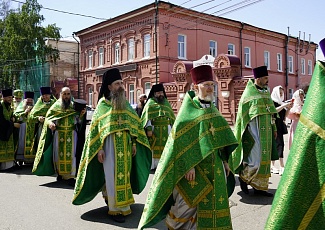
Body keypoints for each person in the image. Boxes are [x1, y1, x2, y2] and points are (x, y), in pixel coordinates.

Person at [138, 65, 238, 230]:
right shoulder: (187, 113)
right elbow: (179, 142)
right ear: (195, 87)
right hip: (195, 169)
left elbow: (221, 140)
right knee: (187, 206)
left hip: (216, 167)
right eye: (206, 85)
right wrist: (188, 165)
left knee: (214, 204)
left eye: (212, 85)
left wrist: (226, 161)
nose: (210, 88)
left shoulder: (213, 109)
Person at [72, 68, 152, 223]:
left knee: (124, 174)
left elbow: (134, 125)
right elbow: (96, 129)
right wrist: (100, 148)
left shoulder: (125, 104)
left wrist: (134, 142)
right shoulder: (103, 104)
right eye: (117, 83)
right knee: (111, 174)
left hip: (126, 146)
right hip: (109, 146)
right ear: (109, 86)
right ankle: (114, 208)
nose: (121, 86)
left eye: (121, 83)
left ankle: (123, 204)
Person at [265, 38, 325, 229]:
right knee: (279, 148)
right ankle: (275, 167)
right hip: (280, 126)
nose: (284, 92)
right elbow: (281, 113)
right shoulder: (315, 105)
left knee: (280, 148)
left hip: (280, 127)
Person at [229, 65, 278, 197]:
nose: (267, 81)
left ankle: (260, 188)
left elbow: (271, 113)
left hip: (266, 132)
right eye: (265, 78)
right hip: (254, 132)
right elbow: (242, 116)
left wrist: (274, 128)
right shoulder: (249, 93)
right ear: (258, 78)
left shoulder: (266, 92)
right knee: (255, 160)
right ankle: (244, 178)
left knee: (265, 160)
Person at [32, 87, 86, 186]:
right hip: (59, 134)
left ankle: (70, 176)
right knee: (58, 155)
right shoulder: (55, 106)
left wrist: (82, 115)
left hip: (71, 134)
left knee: (72, 155)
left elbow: (79, 121)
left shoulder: (74, 106)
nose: (66, 96)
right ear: (60, 94)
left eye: (68, 94)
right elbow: (48, 118)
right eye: (64, 94)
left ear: (71, 95)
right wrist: (50, 124)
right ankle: (60, 175)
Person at [141, 83, 175, 170]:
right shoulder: (150, 103)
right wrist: (148, 129)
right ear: (154, 94)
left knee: (166, 147)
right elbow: (147, 118)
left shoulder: (166, 102)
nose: (160, 94)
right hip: (154, 129)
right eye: (158, 93)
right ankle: (154, 165)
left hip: (166, 129)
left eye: (161, 92)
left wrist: (173, 128)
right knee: (153, 147)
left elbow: (171, 117)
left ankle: (164, 165)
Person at [24, 87, 56, 163]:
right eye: (43, 95)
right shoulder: (38, 104)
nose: (45, 97)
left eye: (46, 95)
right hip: (41, 128)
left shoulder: (55, 104)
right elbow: (30, 117)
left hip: (53, 127)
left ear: (49, 95)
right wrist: (38, 118)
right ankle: (40, 161)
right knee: (41, 145)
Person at [270, 86, 292, 175]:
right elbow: (273, 111)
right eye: (280, 93)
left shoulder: (281, 103)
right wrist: (284, 105)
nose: (281, 94)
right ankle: (275, 166)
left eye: (282, 93)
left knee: (280, 145)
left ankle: (280, 165)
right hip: (273, 126)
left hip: (280, 126)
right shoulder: (272, 102)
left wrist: (289, 108)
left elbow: (284, 116)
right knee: (276, 145)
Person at [0, 89, 20, 171]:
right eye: (8, 97)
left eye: (11, 97)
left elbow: (11, 117)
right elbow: (0, 121)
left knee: (9, 148)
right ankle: (3, 166)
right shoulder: (0, 106)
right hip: (2, 133)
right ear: (3, 98)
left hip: (8, 132)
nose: (10, 99)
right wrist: (12, 124)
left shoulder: (9, 107)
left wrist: (14, 119)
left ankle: (9, 165)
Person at [14, 91, 35, 165]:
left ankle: (30, 160)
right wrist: (25, 112)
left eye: (31, 100)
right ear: (25, 100)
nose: (29, 101)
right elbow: (16, 116)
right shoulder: (20, 106)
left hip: (32, 128)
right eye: (28, 99)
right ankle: (20, 159)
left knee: (32, 143)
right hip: (22, 127)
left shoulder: (35, 107)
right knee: (21, 142)